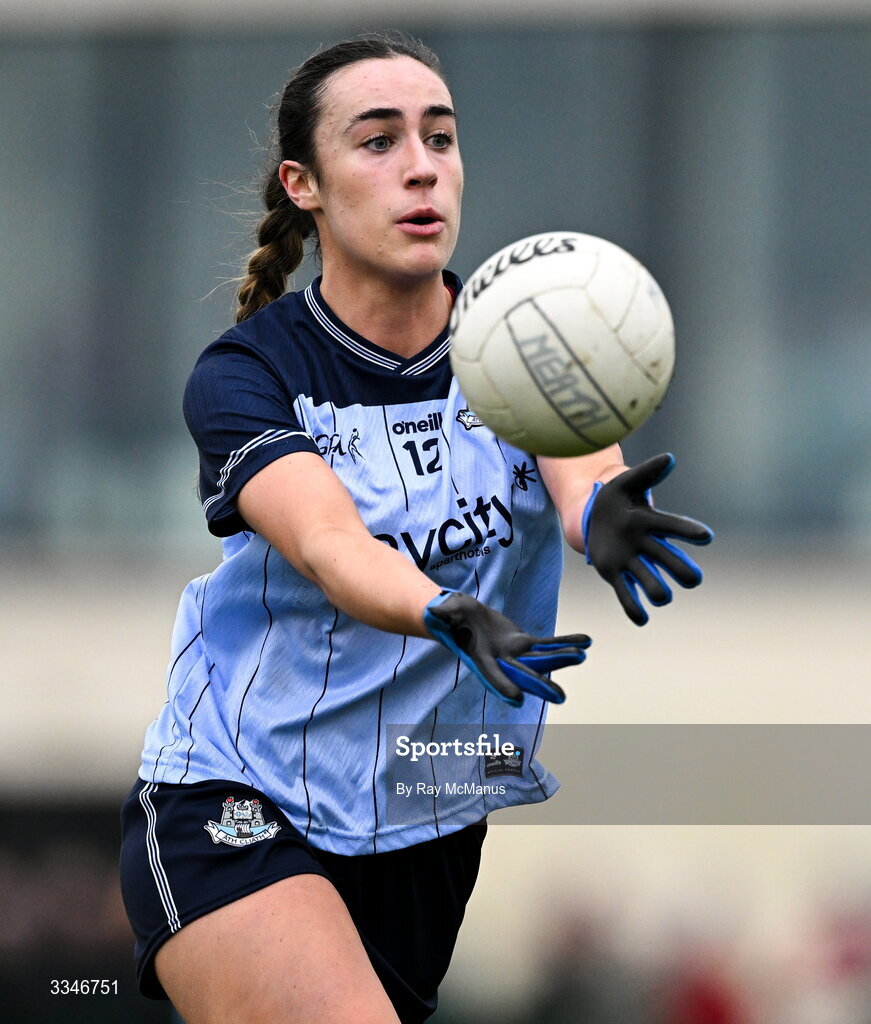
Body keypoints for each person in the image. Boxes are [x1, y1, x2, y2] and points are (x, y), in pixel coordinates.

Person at [119, 33, 713, 1024]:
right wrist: (439, 606)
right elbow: (330, 545)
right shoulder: (244, 376)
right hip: (237, 798)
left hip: (424, 810)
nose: (422, 164)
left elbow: (575, 463)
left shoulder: (519, 329)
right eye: (378, 141)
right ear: (303, 184)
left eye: (439, 136)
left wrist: (600, 510)